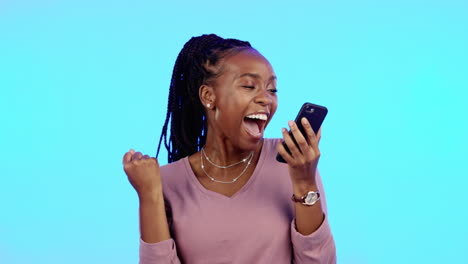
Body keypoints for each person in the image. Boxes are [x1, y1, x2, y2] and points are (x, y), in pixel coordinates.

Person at [122, 34, 336, 264]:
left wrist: (305, 182)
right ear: (208, 96)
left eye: (272, 90)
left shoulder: (292, 162)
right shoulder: (166, 182)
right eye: (248, 85)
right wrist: (150, 195)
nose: (266, 99)